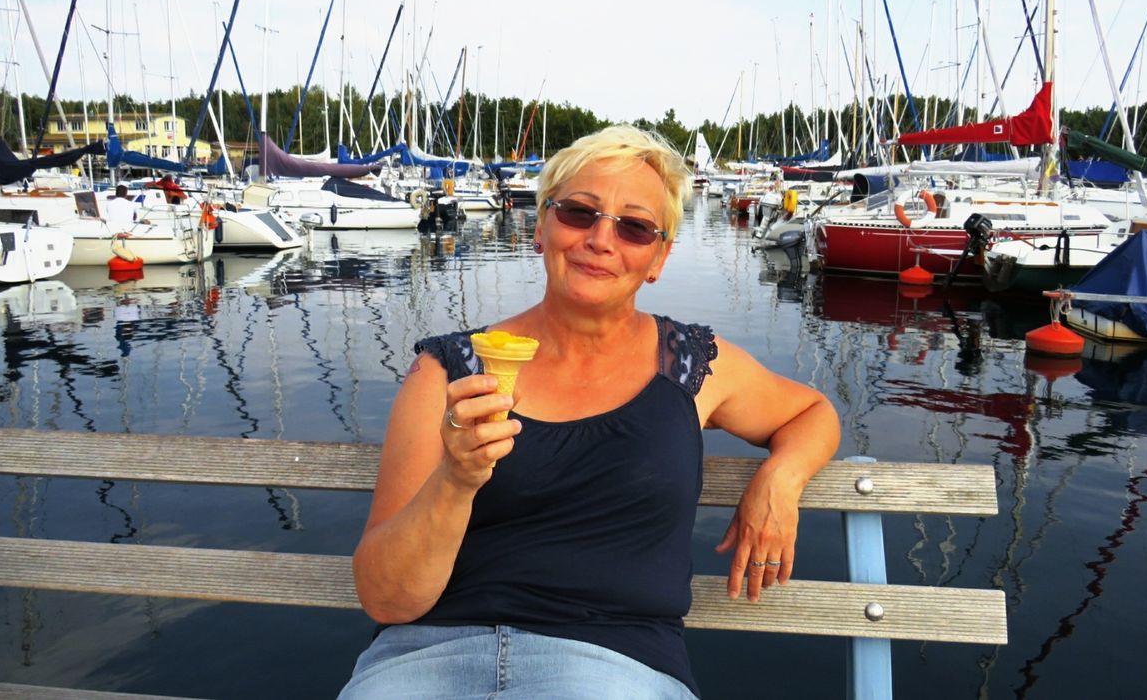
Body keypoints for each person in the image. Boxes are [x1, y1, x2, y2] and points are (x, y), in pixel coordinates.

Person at [342, 125, 840, 699]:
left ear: (658, 257)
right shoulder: (446, 371)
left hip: (615, 665)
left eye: (633, 226)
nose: (601, 239)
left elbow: (811, 412)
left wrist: (781, 478)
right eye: (579, 213)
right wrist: (456, 482)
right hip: (425, 660)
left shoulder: (693, 365)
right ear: (541, 227)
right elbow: (386, 598)